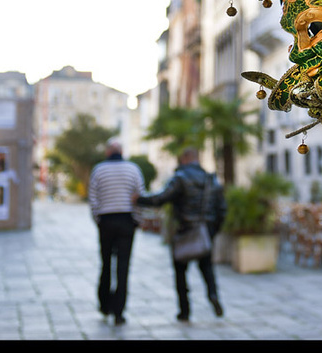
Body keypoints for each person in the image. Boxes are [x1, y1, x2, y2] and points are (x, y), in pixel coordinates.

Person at [135, 147, 226, 322]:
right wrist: (213, 231)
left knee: (181, 271)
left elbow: (160, 198)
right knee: (207, 267)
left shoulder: (180, 178)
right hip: (205, 230)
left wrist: (139, 199)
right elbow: (222, 209)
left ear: (184, 159)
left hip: (185, 230)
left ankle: (184, 310)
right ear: (197, 159)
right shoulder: (211, 179)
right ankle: (213, 295)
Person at [88, 140, 145, 326]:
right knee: (123, 267)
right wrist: (136, 219)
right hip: (126, 221)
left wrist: (99, 219)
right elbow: (140, 196)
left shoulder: (99, 169)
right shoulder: (133, 169)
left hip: (106, 221)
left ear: (107, 152)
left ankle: (104, 305)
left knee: (105, 263)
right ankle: (119, 312)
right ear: (121, 151)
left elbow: (93, 198)